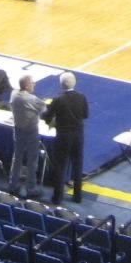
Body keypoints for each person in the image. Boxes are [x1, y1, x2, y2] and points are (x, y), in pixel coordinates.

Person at [45, 72, 89, 203]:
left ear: (61, 84)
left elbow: (47, 117)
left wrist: (55, 121)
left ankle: (57, 197)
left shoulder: (58, 100)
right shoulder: (82, 97)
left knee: (60, 165)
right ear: (74, 83)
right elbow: (85, 114)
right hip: (78, 135)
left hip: (63, 135)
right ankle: (77, 196)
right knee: (77, 165)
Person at [9, 74, 47, 197]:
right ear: (26, 85)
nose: (34, 83)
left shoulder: (14, 94)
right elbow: (44, 109)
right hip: (31, 132)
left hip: (18, 130)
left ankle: (13, 185)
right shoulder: (32, 99)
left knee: (17, 158)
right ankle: (31, 188)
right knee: (32, 161)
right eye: (32, 82)